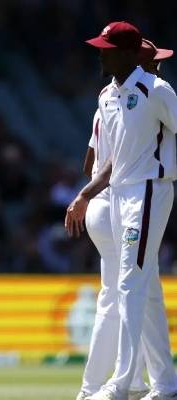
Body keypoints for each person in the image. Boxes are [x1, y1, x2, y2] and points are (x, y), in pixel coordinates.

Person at [65, 21, 177, 400]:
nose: (100, 53)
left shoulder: (155, 89)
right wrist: (86, 194)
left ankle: (122, 383)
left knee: (128, 285)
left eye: (107, 48)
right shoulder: (107, 95)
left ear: (128, 54)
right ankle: (164, 385)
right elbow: (109, 161)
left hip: (148, 191)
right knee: (144, 291)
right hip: (116, 195)